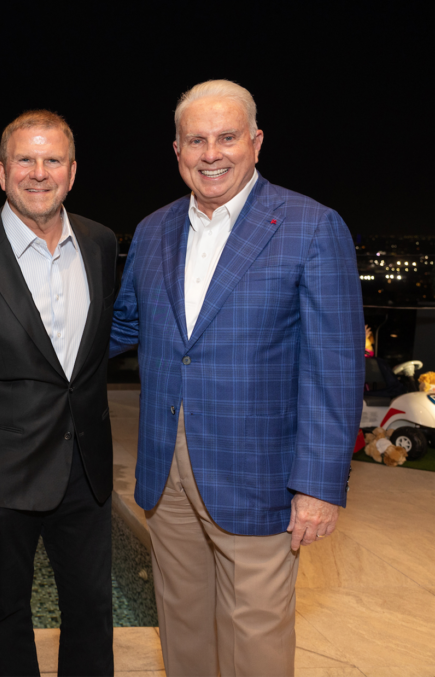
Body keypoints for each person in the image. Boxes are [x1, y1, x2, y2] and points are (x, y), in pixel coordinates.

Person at [111, 79, 364, 676]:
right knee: (183, 623)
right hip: (165, 475)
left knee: (256, 634)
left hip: (261, 479)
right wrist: (18, 337)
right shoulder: (152, 231)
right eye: (195, 140)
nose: (211, 153)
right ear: (176, 150)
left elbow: (337, 367)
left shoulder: (311, 225)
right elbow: (121, 326)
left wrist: (320, 486)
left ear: (255, 142)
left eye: (226, 137)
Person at [0, 110, 116, 676]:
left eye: (53, 159)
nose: (40, 172)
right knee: (7, 611)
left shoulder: (101, 244)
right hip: (0, 479)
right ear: (2, 172)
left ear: (73, 171)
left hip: (86, 468)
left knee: (92, 609)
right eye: (26, 160)